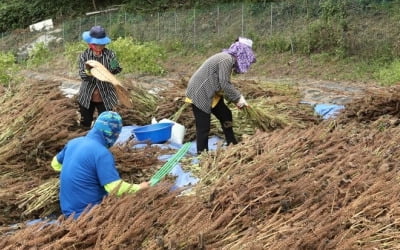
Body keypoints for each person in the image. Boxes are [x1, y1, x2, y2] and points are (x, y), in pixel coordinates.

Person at [51, 111, 149, 219]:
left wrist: (79, 172)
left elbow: (55, 164)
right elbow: (115, 188)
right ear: (112, 134)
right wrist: (139, 187)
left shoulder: (74, 142)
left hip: (67, 210)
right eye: (117, 134)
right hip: (88, 215)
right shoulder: (101, 153)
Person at [185, 37, 256, 154]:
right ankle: (202, 155)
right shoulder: (226, 59)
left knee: (226, 114)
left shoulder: (227, 59)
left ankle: (232, 143)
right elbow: (224, 83)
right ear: (243, 53)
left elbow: (221, 84)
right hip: (200, 91)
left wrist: (235, 100)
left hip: (211, 92)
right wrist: (239, 98)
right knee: (203, 126)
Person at [77, 25, 122, 128]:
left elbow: (116, 69)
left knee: (106, 124)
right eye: (96, 44)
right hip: (87, 95)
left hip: (106, 95)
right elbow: (82, 74)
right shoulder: (84, 55)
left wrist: (113, 67)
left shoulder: (110, 55)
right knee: (85, 122)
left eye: (102, 44)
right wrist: (91, 72)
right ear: (91, 44)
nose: (99, 47)